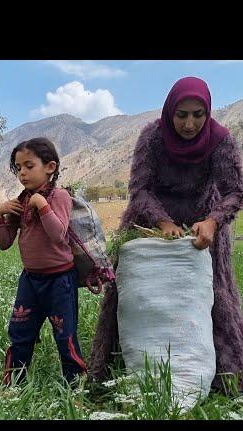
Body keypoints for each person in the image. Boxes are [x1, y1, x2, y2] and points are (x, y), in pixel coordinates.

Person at [89, 77, 243, 392]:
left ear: (207, 112)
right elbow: (139, 190)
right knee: (135, 297)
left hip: (204, 227)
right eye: (181, 114)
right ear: (170, 112)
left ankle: (221, 378)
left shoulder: (221, 141)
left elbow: (235, 192)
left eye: (198, 114)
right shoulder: (153, 138)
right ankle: (121, 370)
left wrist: (213, 221)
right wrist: (163, 223)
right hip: (149, 224)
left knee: (212, 297)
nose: (189, 123)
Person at [0, 137, 86, 385]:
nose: (22, 173)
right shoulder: (21, 202)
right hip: (30, 280)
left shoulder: (60, 197)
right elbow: (4, 243)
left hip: (59, 281)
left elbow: (58, 235)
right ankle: (14, 382)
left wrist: (43, 205)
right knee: (20, 332)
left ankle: (75, 383)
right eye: (18, 168)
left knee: (64, 334)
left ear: (50, 167)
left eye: (29, 165)